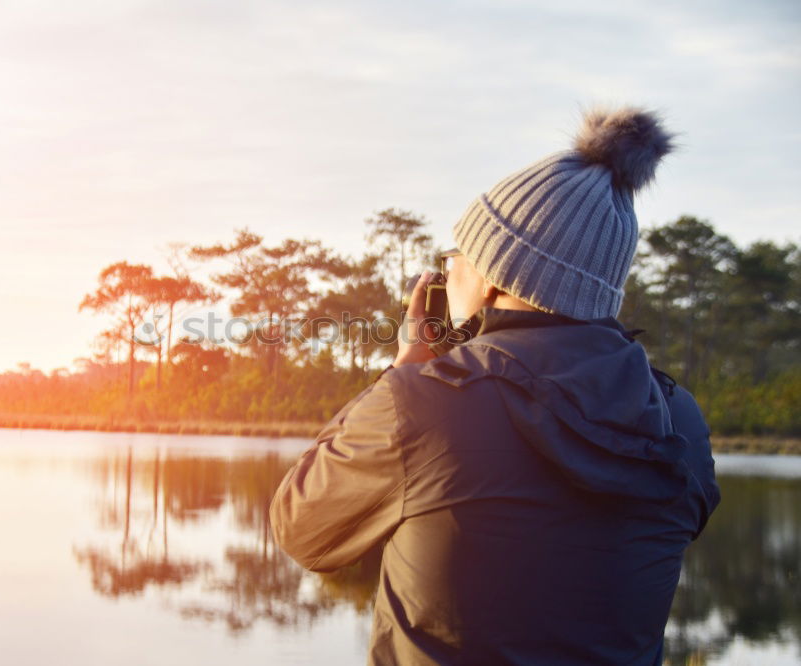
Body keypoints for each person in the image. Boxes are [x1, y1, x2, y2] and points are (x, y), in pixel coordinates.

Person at [269, 107, 721, 665]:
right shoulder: (680, 420)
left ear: (492, 275)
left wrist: (407, 367)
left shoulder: (424, 404)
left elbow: (303, 529)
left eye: (457, 254)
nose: (448, 267)